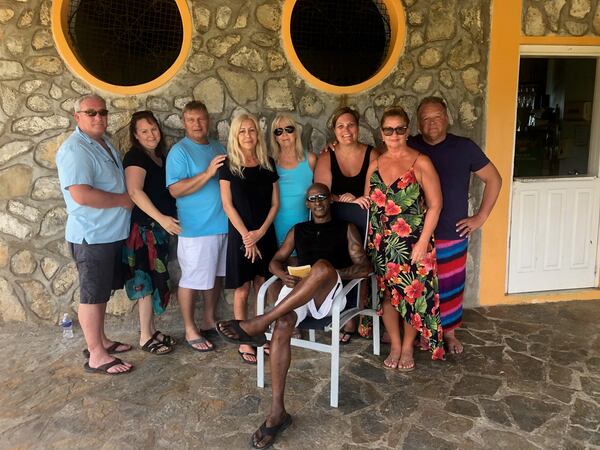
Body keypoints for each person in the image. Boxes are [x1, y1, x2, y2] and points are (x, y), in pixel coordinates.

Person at [216, 183, 371, 449]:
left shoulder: (346, 229)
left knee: (321, 267)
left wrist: (329, 273)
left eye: (323, 196)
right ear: (308, 204)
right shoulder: (298, 230)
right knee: (284, 323)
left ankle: (258, 323)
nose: (319, 201)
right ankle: (278, 413)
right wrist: (280, 273)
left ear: (329, 202)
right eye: (313, 198)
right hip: (297, 290)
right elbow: (276, 260)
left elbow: (365, 267)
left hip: (329, 294)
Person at [408, 97, 502, 354]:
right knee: (419, 286)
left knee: (450, 286)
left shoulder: (465, 147)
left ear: (447, 118)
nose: (432, 123)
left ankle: (449, 334)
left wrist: (480, 217)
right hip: (416, 233)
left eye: (437, 116)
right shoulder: (410, 145)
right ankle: (424, 333)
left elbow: (494, 179)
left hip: (452, 230)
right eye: (426, 119)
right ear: (419, 123)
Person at [56, 94, 134, 375]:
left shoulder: (102, 142)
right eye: (91, 113)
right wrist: (123, 200)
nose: (98, 117)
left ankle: (101, 341)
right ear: (77, 117)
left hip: (109, 234)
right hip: (92, 236)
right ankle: (96, 356)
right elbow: (80, 194)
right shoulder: (75, 149)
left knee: (101, 293)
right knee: (91, 295)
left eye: (102, 112)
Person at [363, 107, 444, 370]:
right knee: (387, 296)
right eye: (389, 129)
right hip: (381, 244)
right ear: (382, 133)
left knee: (412, 296)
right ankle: (395, 345)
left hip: (413, 244)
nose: (394, 134)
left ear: (407, 131)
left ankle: (408, 347)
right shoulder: (375, 165)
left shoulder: (420, 162)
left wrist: (423, 243)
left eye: (399, 129)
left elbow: (435, 205)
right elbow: (367, 204)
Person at [166, 101, 228, 352]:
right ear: (184, 123)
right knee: (191, 280)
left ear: (208, 120)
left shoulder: (217, 146)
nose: (197, 124)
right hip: (196, 229)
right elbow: (175, 189)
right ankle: (190, 329)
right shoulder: (179, 151)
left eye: (201, 119)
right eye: (191, 120)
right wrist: (207, 173)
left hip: (222, 224)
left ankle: (209, 320)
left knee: (215, 277)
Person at [219, 113, 280, 364]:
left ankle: (261, 334)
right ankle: (243, 339)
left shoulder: (268, 163)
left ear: (257, 134)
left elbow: (275, 204)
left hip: (264, 233)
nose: (247, 135)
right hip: (240, 235)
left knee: (262, 286)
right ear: (235, 135)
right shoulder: (228, 165)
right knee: (243, 288)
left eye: (252, 130)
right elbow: (227, 205)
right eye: (242, 131)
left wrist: (261, 233)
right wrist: (247, 237)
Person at [314, 106, 378, 343]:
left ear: (358, 127)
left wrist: (361, 199)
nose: (346, 130)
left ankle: (356, 320)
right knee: (339, 265)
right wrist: (343, 198)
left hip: (365, 221)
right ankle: (338, 314)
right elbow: (322, 193)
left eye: (350, 124)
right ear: (334, 130)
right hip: (336, 222)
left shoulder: (372, 154)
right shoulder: (326, 156)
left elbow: (374, 193)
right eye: (340, 126)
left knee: (362, 266)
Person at [123, 111, 180, 355]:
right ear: (135, 135)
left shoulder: (159, 157)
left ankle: (152, 330)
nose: (150, 134)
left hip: (157, 231)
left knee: (156, 280)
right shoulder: (135, 156)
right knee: (144, 283)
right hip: (144, 230)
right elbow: (135, 192)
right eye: (144, 131)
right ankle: (146, 336)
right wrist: (163, 219)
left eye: (153, 129)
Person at [270, 114, 316, 248]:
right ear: (275, 137)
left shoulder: (311, 160)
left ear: (296, 132)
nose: (284, 134)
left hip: (304, 228)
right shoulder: (270, 164)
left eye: (289, 129)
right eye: (279, 131)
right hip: (276, 226)